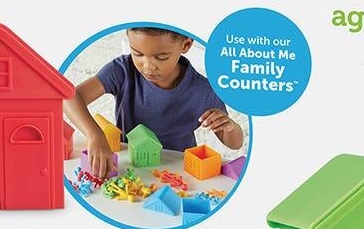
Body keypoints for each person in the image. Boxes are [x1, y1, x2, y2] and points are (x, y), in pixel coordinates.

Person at [65, 27, 244, 179]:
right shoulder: (123, 70)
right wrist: (94, 135)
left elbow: (235, 143)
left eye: (161, 57)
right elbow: (69, 97)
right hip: (131, 165)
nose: (148, 66)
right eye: (138, 54)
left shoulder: (204, 90)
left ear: (186, 45)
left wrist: (230, 127)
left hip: (178, 171)